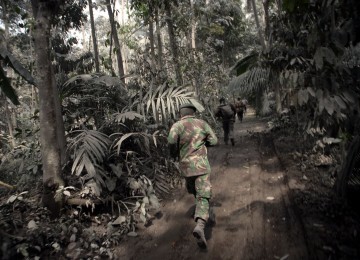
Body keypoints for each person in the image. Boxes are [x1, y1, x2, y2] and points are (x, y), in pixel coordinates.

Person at [167, 103, 218, 249]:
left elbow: (171, 142)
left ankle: (201, 211)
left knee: (194, 190)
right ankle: (200, 225)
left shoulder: (177, 126)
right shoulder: (202, 123)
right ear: (193, 113)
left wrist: (174, 154)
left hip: (186, 167)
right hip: (201, 165)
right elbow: (214, 140)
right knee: (203, 194)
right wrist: (204, 143)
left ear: (181, 114)